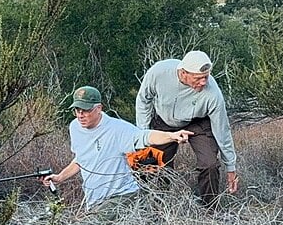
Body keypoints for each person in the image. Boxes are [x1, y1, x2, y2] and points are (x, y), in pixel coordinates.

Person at [42, 86, 191, 210]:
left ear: (99, 108)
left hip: (122, 197)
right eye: (77, 110)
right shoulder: (74, 127)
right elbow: (81, 159)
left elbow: (145, 136)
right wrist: (60, 177)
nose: (80, 115)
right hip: (94, 202)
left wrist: (171, 136)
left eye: (86, 110)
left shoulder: (118, 128)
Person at [135, 50, 239, 205]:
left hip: (198, 123)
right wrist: (143, 136)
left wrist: (231, 167)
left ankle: (209, 209)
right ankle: (159, 207)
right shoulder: (159, 72)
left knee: (209, 164)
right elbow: (144, 100)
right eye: (198, 78)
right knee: (154, 163)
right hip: (165, 121)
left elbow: (222, 130)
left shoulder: (213, 94)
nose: (204, 82)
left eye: (206, 76)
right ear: (183, 73)